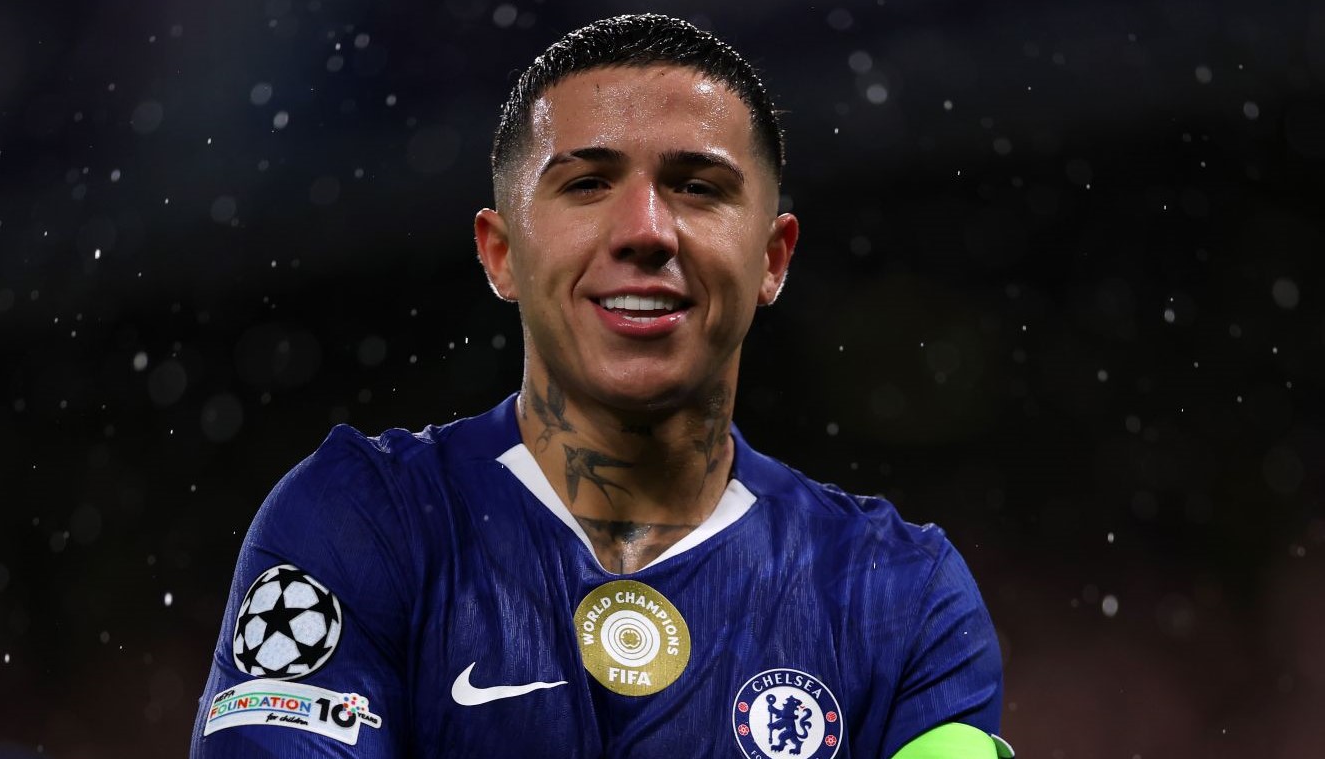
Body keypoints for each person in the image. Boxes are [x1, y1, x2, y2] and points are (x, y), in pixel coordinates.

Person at [191, 14, 1011, 759]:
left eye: (697, 186)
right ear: (501, 253)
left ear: (772, 258)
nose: (645, 231)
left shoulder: (898, 594)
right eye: (586, 184)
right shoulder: (359, 522)